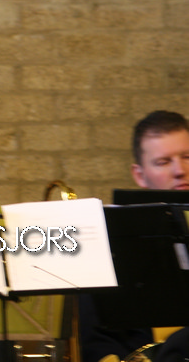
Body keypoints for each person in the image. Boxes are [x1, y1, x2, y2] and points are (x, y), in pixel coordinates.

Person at [80, 110, 189, 362]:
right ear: (139, 175)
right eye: (163, 162)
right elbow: (95, 338)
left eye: (187, 157)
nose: (179, 170)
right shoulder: (113, 240)